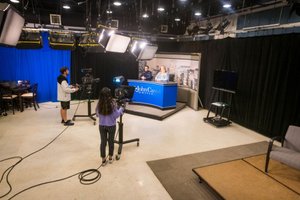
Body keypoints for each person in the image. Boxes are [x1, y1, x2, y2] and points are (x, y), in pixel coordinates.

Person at [96, 87, 124, 165]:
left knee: (103, 142)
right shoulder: (113, 103)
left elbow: (97, 114)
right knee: (111, 141)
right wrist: (121, 109)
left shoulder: (99, 103)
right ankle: (111, 158)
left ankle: (103, 160)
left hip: (102, 126)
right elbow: (116, 115)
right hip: (111, 126)